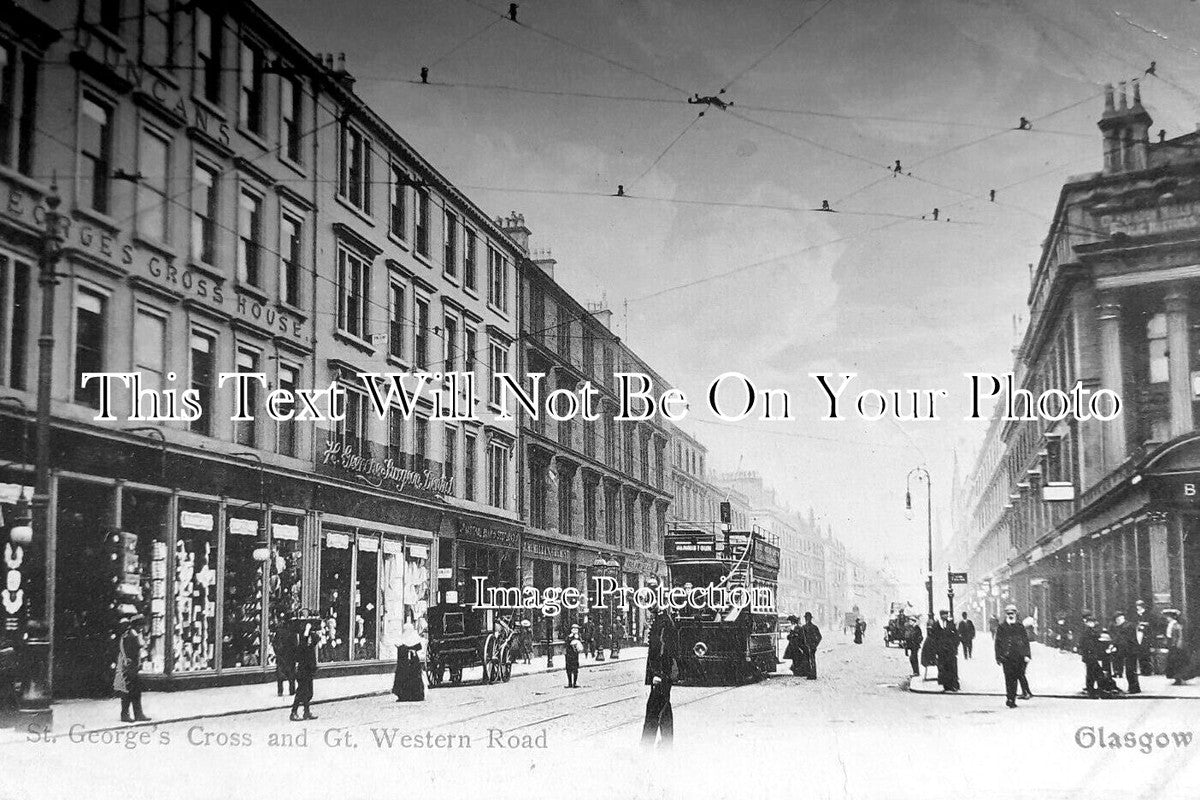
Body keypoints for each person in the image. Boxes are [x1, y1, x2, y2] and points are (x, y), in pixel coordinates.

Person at [642, 602, 679, 749]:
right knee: (664, 710)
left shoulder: (663, 622)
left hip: (662, 674)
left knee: (653, 709)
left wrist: (658, 673)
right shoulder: (662, 619)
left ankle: (645, 745)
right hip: (664, 673)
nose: (649, 607)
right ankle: (667, 743)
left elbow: (662, 649)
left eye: (652, 604)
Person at [114, 615, 150, 723]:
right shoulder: (130, 635)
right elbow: (129, 652)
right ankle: (125, 714)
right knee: (128, 692)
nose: (142, 628)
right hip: (129, 668)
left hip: (133, 667)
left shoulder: (132, 634)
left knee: (136, 691)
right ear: (136, 625)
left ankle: (138, 714)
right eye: (140, 625)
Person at [995, 604, 1031, 708]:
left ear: (1015, 614)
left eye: (1012, 613)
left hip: (1018, 657)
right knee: (1008, 679)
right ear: (1006, 614)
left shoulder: (1020, 626)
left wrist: (1027, 655)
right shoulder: (1002, 627)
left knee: (1015, 679)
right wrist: (998, 657)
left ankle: (1012, 698)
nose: (1011, 615)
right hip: (1006, 658)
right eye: (1009, 613)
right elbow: (998, 643)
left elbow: (1025, 642)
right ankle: (1009, 697)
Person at [291, 609, 320, 721]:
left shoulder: (310, 636)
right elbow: (302, 645)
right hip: (303, 667)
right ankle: (293, 712)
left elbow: (314, 642)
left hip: (310, 666)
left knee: (308, 692)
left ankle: (306, 712)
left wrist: (313, 631)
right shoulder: (299, 636)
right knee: (301, 691)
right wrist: (306, 631)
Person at [930, 609, 960, 692]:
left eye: (947, 614)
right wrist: (935, 650)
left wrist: (954, 646)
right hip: (941, 650)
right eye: (945, 614)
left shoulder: (950, 624)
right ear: (941, 615)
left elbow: (956, 636)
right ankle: (946, 685)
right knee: (943, 668)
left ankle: (953, 685)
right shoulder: (936, 625)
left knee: (951, 667)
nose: (946, 616)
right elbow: (933, 638)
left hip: (950, 650)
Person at [1079, 611, 1106, 698]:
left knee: (1091, 673)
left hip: (1089, 655)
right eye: (1090, 622)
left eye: (1092, 622)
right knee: (1097, 672)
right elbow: (1085, 643)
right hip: (1090, 655)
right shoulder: (1088, 632)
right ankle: (1099, 690)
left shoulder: (1090, 631)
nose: (1091, 624)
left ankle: (1091, 690)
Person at [1132, 600, 1158, 675]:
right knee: (1139, 653)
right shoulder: (1135, 614)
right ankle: (1141, 669)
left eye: (1139, 606)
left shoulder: (1148, 614)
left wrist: (1145, 624)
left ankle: (1147, 671)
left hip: (1145, 636)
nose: (1138, 607)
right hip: (1138, 634)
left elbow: (1153, 624)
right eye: (1137, 606)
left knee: (1145, 654)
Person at [271, 619, 296, 697]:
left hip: (281, 655)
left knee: (280, 674)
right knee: (291, 674)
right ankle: (292, 691)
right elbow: (295, 645)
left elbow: (274, 643)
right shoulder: (292, 632)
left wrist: (277, 652)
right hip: (290, 656)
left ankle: (280, 691)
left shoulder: (279, 632)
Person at [1163, 609, 1188, 685]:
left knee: (1176, 662)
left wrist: (1177, 646)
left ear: (1172, 617)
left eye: (1168, 616)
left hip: (1176, 646)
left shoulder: (1176, 625)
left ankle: (1178, 679)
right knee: (1172, 662)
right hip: (1172, 645)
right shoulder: (1170, 624)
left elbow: (1179, 637)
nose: (1167, 618)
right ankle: (1175, 678)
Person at [799, 612, 822, 680]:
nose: (807, 619)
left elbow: (819, 637)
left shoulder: (813, 627)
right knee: (808, 660)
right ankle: (810, 674)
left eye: (808, 618)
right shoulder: (804, 627)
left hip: (811, 646)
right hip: (807, 646)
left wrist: (815, 645)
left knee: (811, 660)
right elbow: (801, 638)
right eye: (806, 618)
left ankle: (813, 674)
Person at [565, 624, 582, 688]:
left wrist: (577, 638)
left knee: (575, 669)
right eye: (573, 629)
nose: (575, 630)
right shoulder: (569, 636)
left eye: (576, 629)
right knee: (568, 669)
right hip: (569, 654)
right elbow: (566, 642)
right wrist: (570, 637)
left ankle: (574, 683)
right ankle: (569, 683)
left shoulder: (578, 636)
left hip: (575, 655)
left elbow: (580, 644)